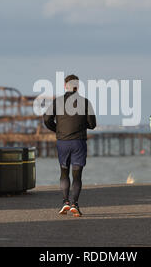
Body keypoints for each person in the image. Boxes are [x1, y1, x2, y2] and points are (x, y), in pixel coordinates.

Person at [43, 74, 97, 217]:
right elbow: (92, 124)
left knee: (64, 173)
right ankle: (75, 205)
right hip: (78, 142)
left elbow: (47, 119)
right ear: (77, 86)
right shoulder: (85, 102)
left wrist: (58, 129)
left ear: (65, 86)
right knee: (77, 176)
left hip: (63, 142)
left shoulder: (57, 102)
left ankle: (65, 202)